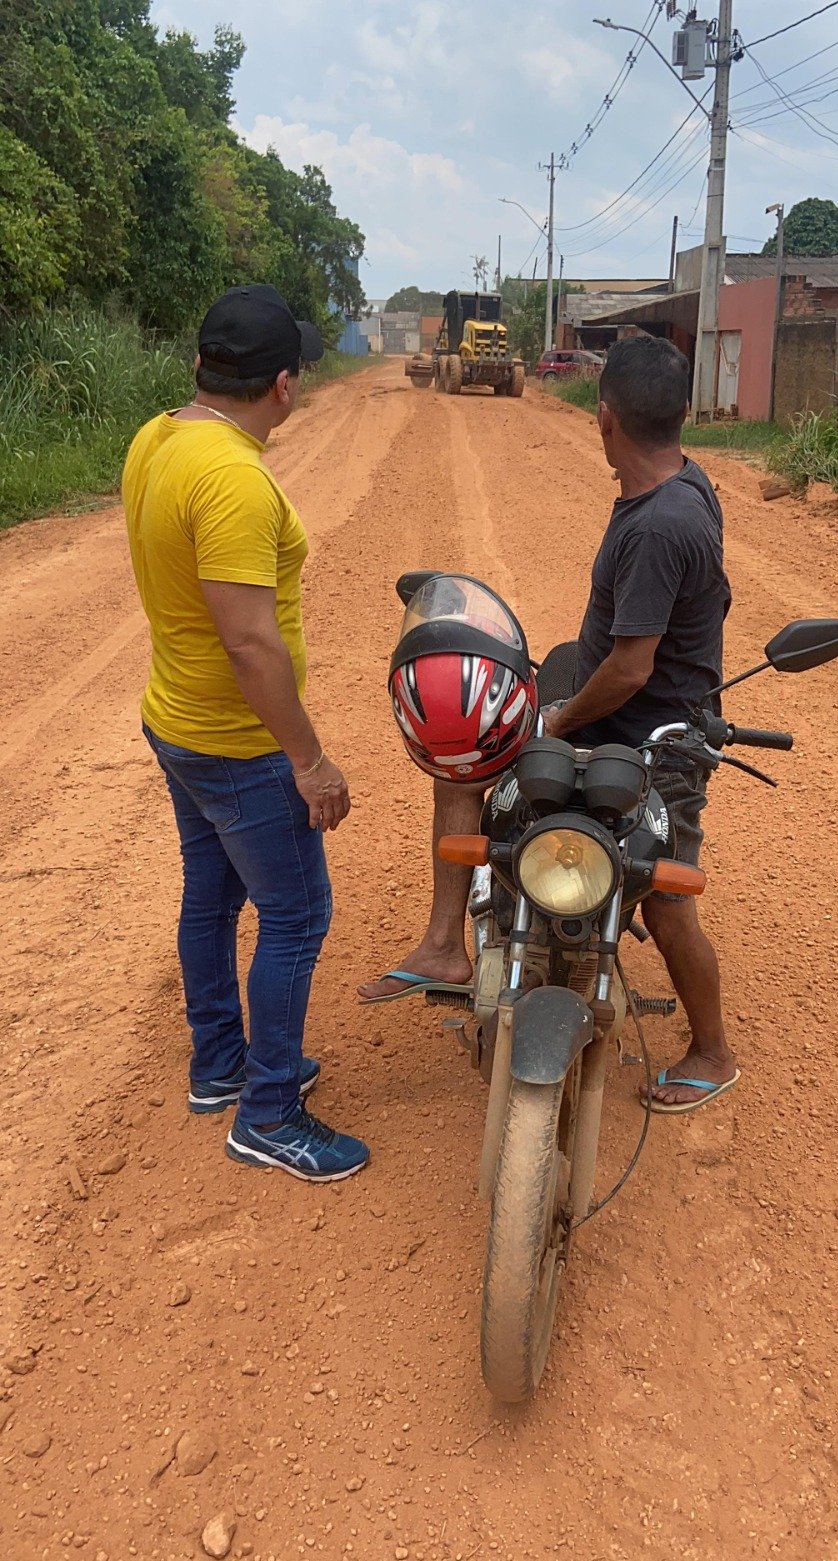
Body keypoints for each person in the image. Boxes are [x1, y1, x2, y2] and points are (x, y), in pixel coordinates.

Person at [360, 334, 738, 1113]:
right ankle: (447, 947)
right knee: (463, 755)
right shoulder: (677, 486)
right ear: (681, 415)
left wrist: (558, 718)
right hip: (615, 706)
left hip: (653, 737)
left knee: (663, 903)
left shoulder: (661, 524)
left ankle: (713, 1050)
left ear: (604, 419)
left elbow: (632, 669)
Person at [125, 283, 369, 1180]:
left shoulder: (159, 438)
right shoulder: (231, 478)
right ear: (284, 385)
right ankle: (267, 1114)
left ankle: (219, 1064)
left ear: (198, 367)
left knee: (212, 897)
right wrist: (308, 758)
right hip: (235, 742)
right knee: (299, 914)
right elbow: (249, 640)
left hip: (176, 721)